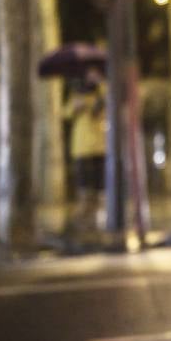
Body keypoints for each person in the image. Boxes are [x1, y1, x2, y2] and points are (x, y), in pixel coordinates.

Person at [65, 73, 106, 234]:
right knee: (83, 180)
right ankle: (84, 211)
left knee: (99, 181)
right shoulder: (76, 94)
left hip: (100, 145)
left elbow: (109, 103)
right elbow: (66, 113)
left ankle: (99, 212)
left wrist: (100, 83)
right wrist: (75, 106)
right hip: (81, 146)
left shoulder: (101, 92)